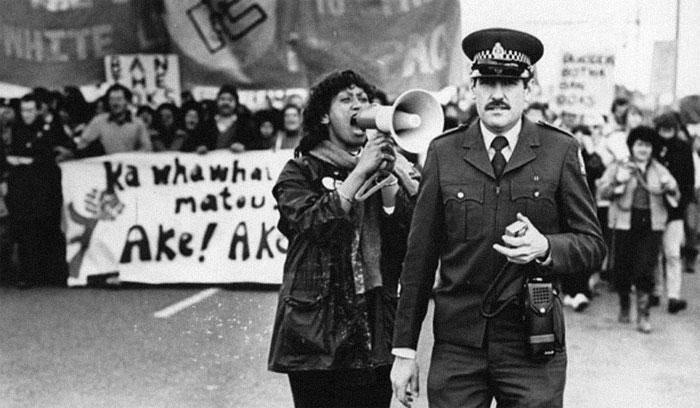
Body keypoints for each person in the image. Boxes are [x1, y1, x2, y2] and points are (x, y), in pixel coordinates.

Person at [390, 28, 606, 408]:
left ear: (529, 88)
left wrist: (545, 247)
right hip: (459, 345)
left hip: (532, 344)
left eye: (509, 82)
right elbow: (419, 259)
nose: (498, 94)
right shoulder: (444, 152)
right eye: (487, 81)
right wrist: (405, 351)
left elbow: (592, 246)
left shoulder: (559, 150)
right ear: (472, 87)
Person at [267, 69, 420, 408]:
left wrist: (392, 183)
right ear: (324, 114)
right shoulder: (300, 171)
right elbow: (312, 224)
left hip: (373, 328)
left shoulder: (385, 168)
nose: (358, 106)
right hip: (316, 331)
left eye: (364, 99)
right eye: (346, 100)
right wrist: (361, 171)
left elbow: (411, 242)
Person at [597, 126, 679, 333]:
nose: (643, 149)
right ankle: (625, 304)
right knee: (622, 270)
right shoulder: (620, 166)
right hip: (625, 223)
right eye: (639, 145)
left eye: (648, 145)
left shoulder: (659, 170)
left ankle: (644, 315)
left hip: (651, 225)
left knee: (645, 269)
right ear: (632, 146)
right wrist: (618, 180)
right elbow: (602, 192)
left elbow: (675, 195)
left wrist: (669, 187)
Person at [5, 93, 75, 288]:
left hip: (43, 184)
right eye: (23, 111)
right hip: (21, 185)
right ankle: (27, 274)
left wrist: (35, 159)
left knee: (47, 226)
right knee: (25, 229)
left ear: (37, 111)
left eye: (30, 110)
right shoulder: (16, 129)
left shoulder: (48, 128)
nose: (26, 115)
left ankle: (53, 274)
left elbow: (56, 150)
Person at [652, 112, 694, 313]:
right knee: (655, 253)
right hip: (654, 207)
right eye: (663, 129)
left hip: (675, 209)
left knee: (673, 253)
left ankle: (674, 296)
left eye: (669, 129)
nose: (666, 133)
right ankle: (657, 291)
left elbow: (689, 182)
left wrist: (681, 204)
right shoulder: (652, 146)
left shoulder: (684, 149)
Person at [77, 84, 152, 155]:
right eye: (112, 99)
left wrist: (129, 157)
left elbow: (147, 148)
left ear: (127, 101)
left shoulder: (138, 123)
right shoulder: (99, 121)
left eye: (119, 99)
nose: (115, 103)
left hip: (130, 165)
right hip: (106, 166)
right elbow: (82, 145)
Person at [212, 84, 255, 152]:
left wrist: (244, 147)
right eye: (222, 99)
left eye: (230, 100)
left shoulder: (244, 123)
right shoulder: (208, 122)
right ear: (217, 101)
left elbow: (254, 143)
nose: (226, 103)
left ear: (236, 103)